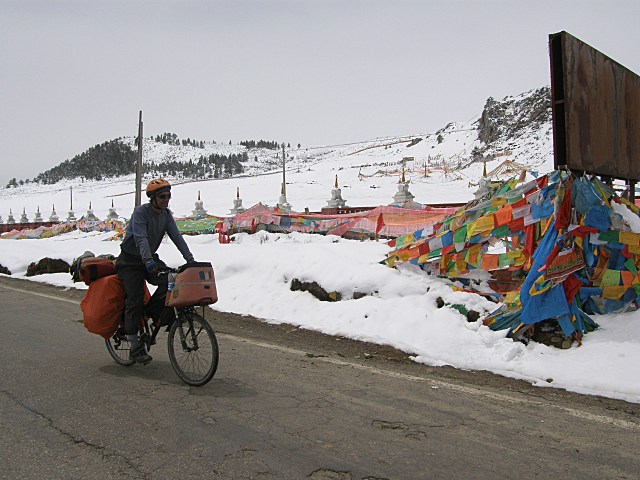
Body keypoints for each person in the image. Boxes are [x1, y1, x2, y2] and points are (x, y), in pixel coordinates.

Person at [116, 178, 195, 364]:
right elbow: (141, 238)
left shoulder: (166, 215)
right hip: (130, 261)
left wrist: (190, 260)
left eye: (168, 196)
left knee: (172, 280)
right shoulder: (140, 213)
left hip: (149, 258)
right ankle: (134, 347)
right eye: (162, 196)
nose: (166, 200)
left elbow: (177, 237)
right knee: (134, 300)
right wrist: (147, 260)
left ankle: (150, 312)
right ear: (152, 197)